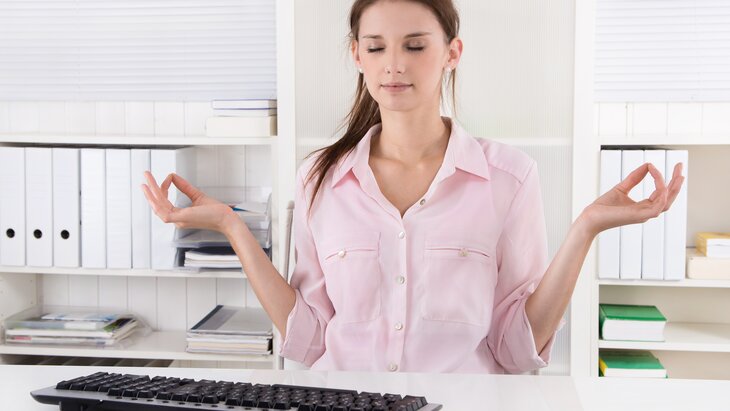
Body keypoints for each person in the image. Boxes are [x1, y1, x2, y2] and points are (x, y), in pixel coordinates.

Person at [142, 0, 684, 373]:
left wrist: (586, 228)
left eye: (416, 46)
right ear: (357, 56)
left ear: (452, 53)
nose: (394, 65)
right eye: (376, 47)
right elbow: (309, 340)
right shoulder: (320, 178)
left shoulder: (510, 177)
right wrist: (232, 228)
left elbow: (516, 350)